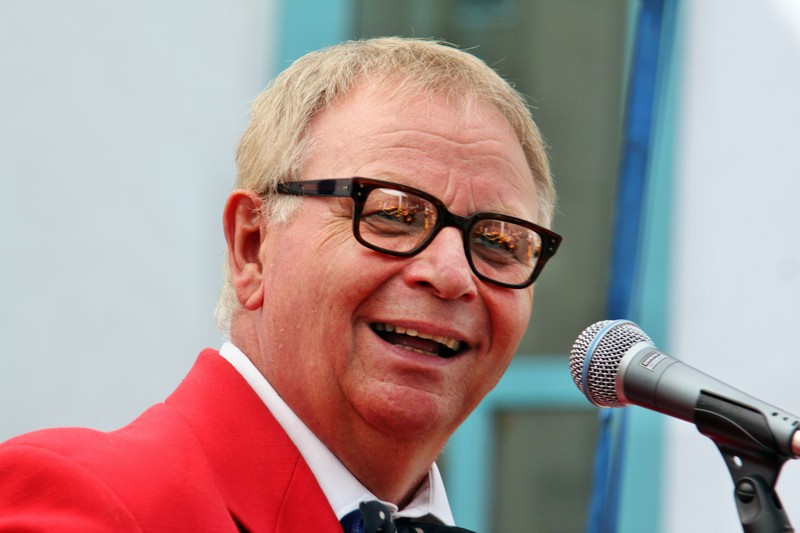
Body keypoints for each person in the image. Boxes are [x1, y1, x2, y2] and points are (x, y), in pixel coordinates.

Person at [0, 37, 561, 532]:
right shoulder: (94, 506)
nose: (451, 275)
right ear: (252, 246)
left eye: (500, 242)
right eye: (392, 214)